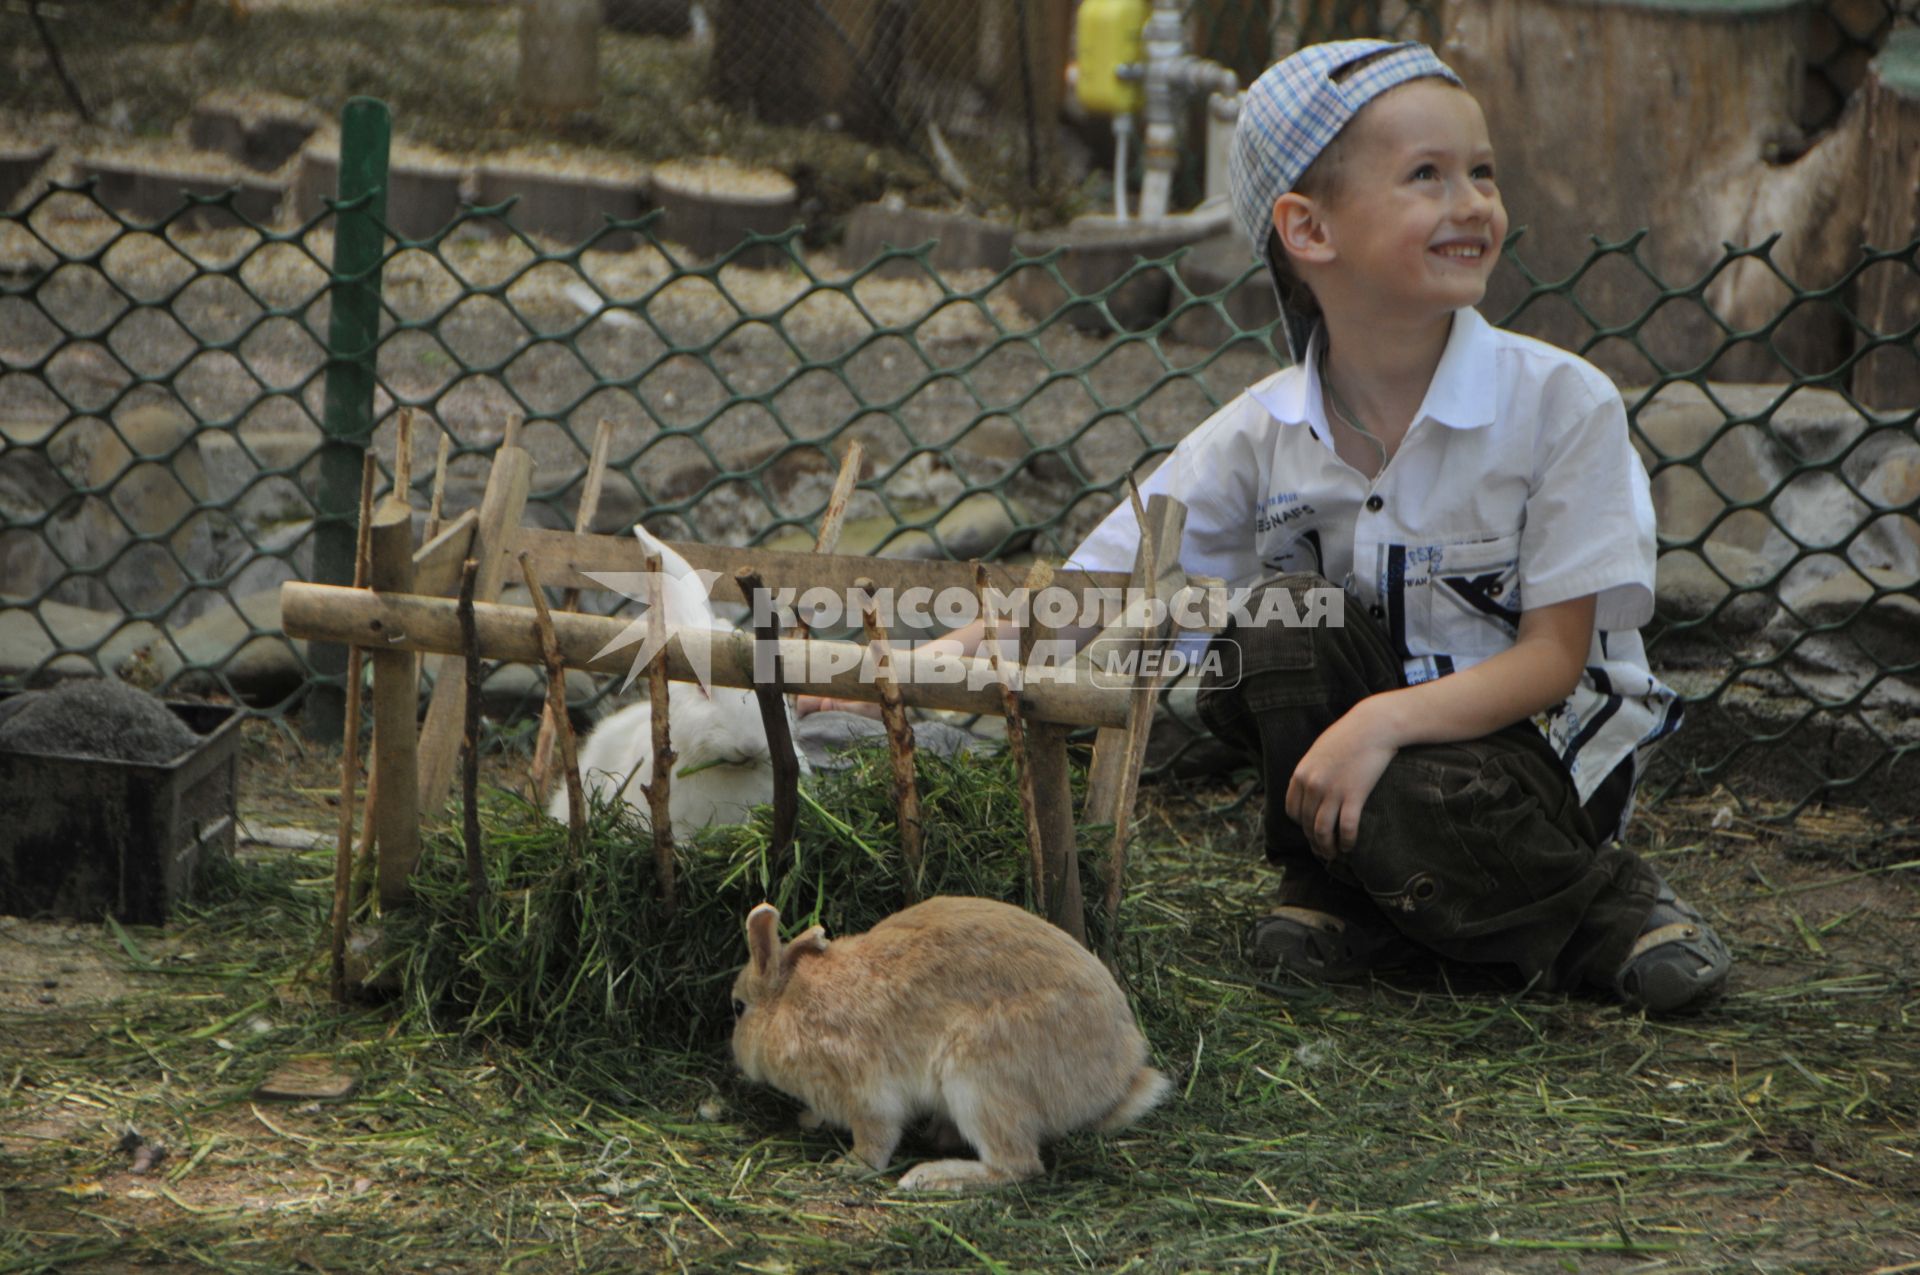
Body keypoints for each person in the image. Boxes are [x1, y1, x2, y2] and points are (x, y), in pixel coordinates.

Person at [1058, 39, 1732, 1013]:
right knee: (1283, 616)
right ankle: (1343, 884)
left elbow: (1553, 660)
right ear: (1308, 229)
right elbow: (1112, 586)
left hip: (1528, 760)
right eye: (1427, 176)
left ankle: (1596, 901)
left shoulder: (1560, 405)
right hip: (1352, 767)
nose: (1473, 203)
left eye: (1483, 172)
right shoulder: (1262, 431)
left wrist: (1380, 721)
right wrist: (940, 660)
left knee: (1430, 797)